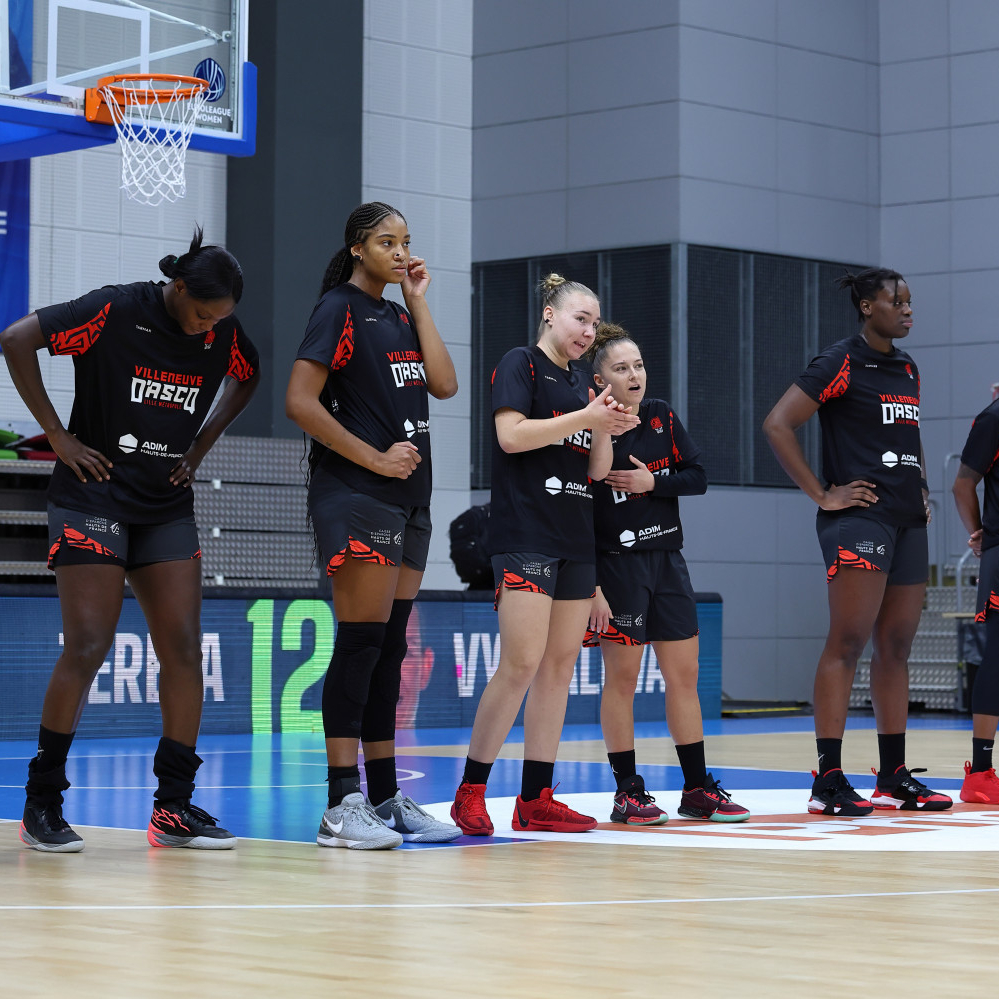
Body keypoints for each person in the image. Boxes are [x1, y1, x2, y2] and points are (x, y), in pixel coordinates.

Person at [1, 226, 260, 852]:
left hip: (164, 504)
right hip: (92, 495)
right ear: (179, 288)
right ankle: (42, 802)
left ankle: (173, 807)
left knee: (184, 650)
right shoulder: (114, 308)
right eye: (202, 314)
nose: (208, 328)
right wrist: (57, 436)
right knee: (88, 645)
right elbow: (15, 339)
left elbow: (248, 376)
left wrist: (199, 447)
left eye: (219, 319)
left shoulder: (223, 333)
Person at [286, 201, 461, 849]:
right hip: (359, 493)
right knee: (361, 643)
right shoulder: (338, 308)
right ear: (357, 247)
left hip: (411, 498)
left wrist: (417, 301)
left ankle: (385, 798)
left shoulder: (397, 313)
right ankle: (340, 805)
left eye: (405, 242)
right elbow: (299, 401)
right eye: (387, 242)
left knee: (389, 647)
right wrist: (375, 458)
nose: (400, 252)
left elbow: (444, 384)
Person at [450, 274, 640, 836]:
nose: (588, 331)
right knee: (521, 664)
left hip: (575, 539)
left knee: (559, 669)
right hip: (526, 533)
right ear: (551, 314)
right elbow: (511, 436)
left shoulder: (583, 382)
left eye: (594, 323)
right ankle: (470, 791)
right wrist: (586, 418)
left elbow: (597, 471)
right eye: (580, 318)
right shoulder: (521, 363)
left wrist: (606, 425)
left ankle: (535, 797)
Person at [763, 268, 951, 816]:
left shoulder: (908, 367)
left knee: (896, 648)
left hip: (906, 521)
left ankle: (893, 777)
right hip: (860, 521)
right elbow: (777, 424)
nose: (908, 310)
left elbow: (907, 436)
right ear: (868, 306)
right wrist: (822, 494)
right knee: (847, 643)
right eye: (897, 301)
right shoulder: (840, 361)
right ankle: (828, 780)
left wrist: (920, 487)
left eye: (910, 301)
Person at [584, 323, 749, 824]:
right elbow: (576, 511)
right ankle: (627, 792)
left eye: (638, 365)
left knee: (685, 677)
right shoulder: (584, 429)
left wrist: (652, 481)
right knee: (623, 680)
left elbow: (697, 477)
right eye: (621, 368)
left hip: (668, 562)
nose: (634, 375)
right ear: (599, 381)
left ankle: (697, 788)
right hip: (617, 568)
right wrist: (592, 586)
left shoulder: (661, 416)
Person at [952, 402, 999, 803]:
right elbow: (962, 484)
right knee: (998, 656)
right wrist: (981, 534)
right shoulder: (994, 417)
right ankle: (981, 772)